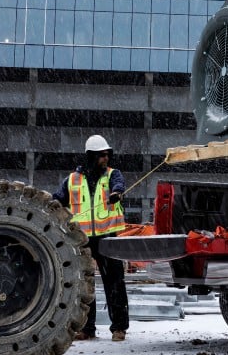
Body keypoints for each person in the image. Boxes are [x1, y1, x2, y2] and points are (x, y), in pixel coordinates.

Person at [53, 134, 129, 342]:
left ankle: (119, 328)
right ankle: (87, 328)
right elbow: (56, 201)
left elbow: (119, 184)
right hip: (82, 240)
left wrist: (117, 193)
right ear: (91, 156)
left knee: (115, 283)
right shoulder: (72, 180)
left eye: (107, 155)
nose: (106, 159)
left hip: (108, 237)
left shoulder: (113, 175)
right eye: (102, 155)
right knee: (84, 286)